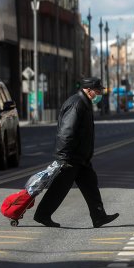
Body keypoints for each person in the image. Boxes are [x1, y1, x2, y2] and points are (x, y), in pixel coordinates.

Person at [33, 77, 119, 228]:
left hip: (80, 157)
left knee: (91, 185)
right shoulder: (77, 104)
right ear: (88, 90)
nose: (99, 94)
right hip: (71, 157)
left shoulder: (83, 103)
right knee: (60, 188)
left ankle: (99, 216)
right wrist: (63, 157)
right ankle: (42, 215)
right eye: (98, 91)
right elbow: (66, 132)